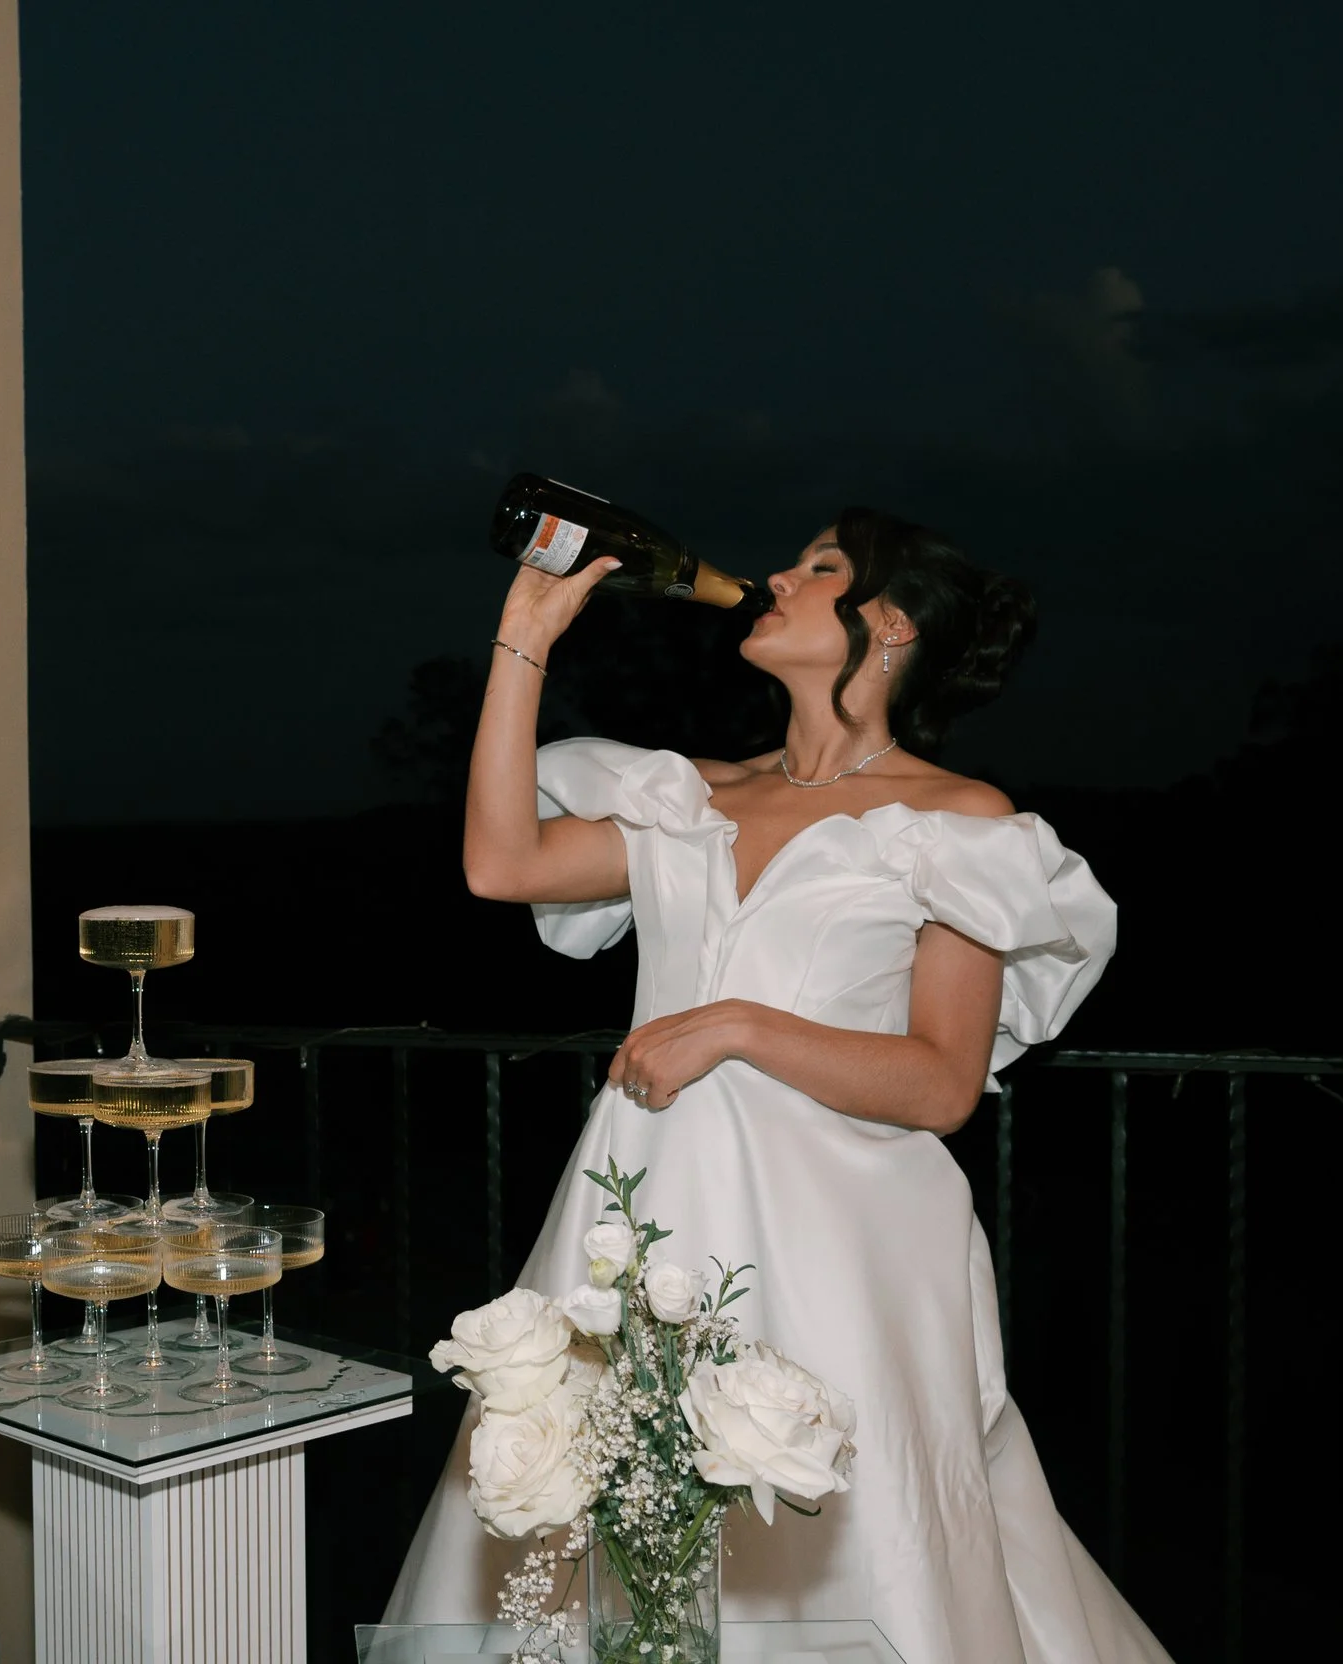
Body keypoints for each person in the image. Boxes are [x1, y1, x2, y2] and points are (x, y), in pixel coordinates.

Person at [383, 511, 1172, 1662]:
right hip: (640, 1207)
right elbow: (500, 863)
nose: (777, 577)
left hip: (840, 1240)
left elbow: (942, 1082)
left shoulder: (957, 822)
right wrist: (524, 642)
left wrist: (739, 1025)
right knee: (596, 1497)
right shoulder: (688, 794)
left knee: (854, 1530)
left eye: (820, 567)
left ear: (890, 624)